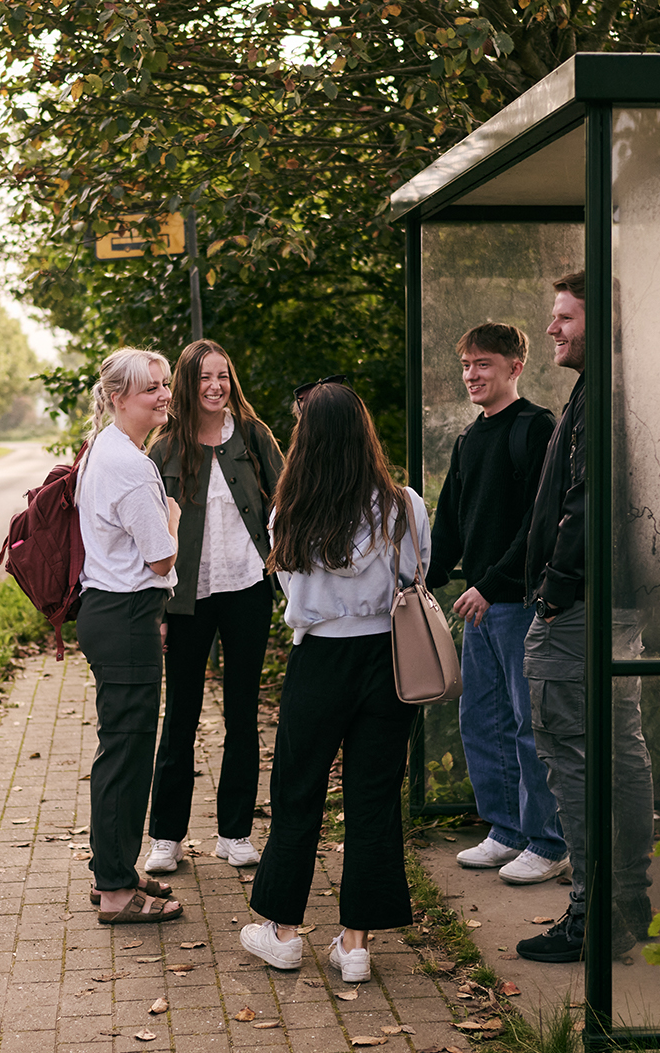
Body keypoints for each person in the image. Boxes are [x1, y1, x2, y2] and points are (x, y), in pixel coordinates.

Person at [240, 377, 427, 985]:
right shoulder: (404, 506)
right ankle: (355, 944)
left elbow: (290, 588)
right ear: (364, 432)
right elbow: (416, 573)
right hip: (388, 659)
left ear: (308, 439)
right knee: (374, 797)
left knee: (298, 792)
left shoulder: (289, 512)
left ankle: (283, 933)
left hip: (320, 658)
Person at [514, 272, 655, 965]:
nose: (552, 328)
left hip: (581, 604)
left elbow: (586, 500)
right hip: (618, 598)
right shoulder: (622, 386)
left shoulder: (602, 394)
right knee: (620, 749)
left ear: (600, 321)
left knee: (572, 756)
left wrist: (556, 589)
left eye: (565, 317)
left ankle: (591, 915)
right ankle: (627, 902)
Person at [425, 323, 565, 886]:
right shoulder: (469, 439)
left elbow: (541, 523)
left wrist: (492, 583)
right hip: (479, 607)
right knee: (482, 721)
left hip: (520, 604)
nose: (471, 375)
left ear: (515, 366)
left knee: (529, 728)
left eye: (483, 364)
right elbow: (450, 524)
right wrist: (421, 581)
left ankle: (548, 842)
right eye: (465, 365)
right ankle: (506, 831)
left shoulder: (536, 428)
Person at [143, 339, 286, 874]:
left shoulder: (252, 435)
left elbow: (286, 499)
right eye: (205, 377)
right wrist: (156, 611)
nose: (215, 386)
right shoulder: (164, 449)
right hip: (185, 598)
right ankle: (166, 837)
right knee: (180, 715)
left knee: (242, 713)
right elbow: (148, 534)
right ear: (187, 383)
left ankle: (235, 833)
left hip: (247, 588)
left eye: (223, 375)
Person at [75, 347, 185, 925]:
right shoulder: (130, 465)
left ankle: (113, 870)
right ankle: (116, 891)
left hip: (111, 613)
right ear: (119, 397)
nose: (164, 395)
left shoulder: (105, 448)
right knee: (126, 755)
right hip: (125, 616)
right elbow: (161, 558)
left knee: (121, 751)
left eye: (165, 385)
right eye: (151, 388)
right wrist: (173, 515)